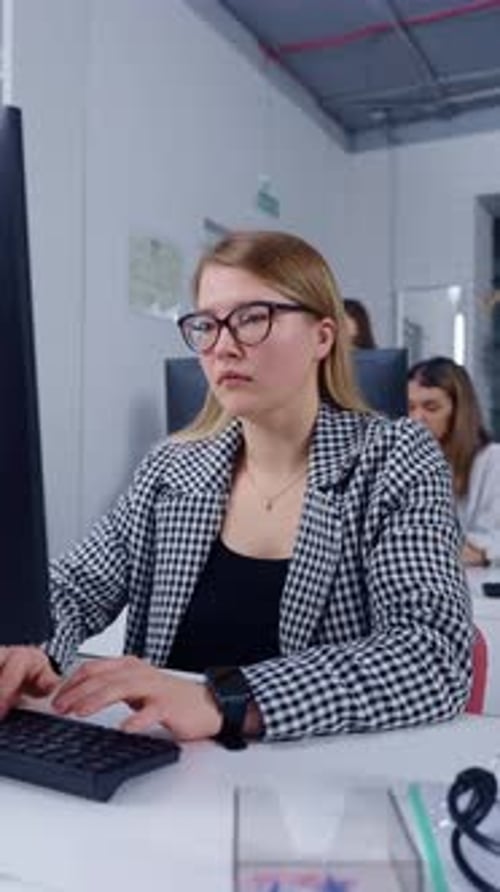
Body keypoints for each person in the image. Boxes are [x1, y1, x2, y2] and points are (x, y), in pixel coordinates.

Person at [0, 231, 472, 746]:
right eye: (207, 324)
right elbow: (74, 587)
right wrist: (27, 643)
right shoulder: (171, 467)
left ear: (322, 337)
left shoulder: (394, 458)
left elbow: (433, 655)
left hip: (316, 777)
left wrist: (223, 700)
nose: (222, 346)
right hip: (160, 767)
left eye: (252, 318)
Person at [408, 356, 500, 567]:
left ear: (459, 411)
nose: (416, 419)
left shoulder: (493, 461)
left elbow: (489, 541)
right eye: (410, 407)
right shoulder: (404, 465)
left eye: (431, 407)